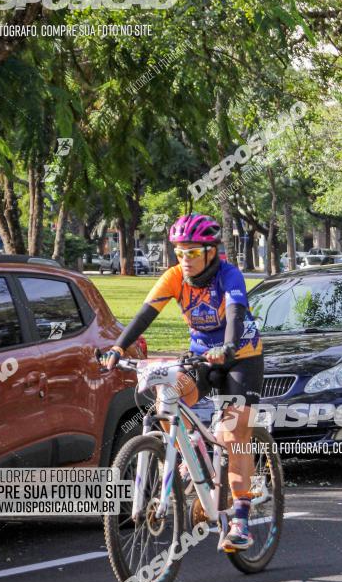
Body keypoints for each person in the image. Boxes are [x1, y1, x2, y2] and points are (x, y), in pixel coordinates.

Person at [102, 213, 264, 551]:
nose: (185, 260)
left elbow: (234, 313)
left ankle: (241, 520)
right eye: (179, 252)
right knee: (168, 399)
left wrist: (229, 347)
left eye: (192, 252)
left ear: (210, 252)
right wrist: (118, 347)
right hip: (200, 356)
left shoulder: (228, 274)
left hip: (242, 357)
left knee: (235, 434)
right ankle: (190, 460)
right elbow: (145, 314)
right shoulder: (175, 277)